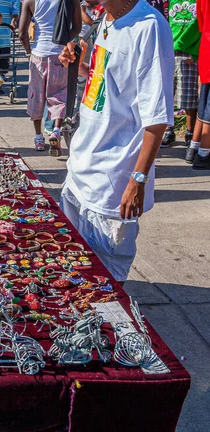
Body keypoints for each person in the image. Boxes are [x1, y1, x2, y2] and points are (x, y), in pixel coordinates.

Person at [59, 0, 174, 282]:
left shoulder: (149, 26)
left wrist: (138, 180)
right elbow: (109, 89)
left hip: (111, 185)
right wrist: (82, 68)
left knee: (108, 284)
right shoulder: (107, 18)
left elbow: (156, 117)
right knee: (72, 273)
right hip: (80, 172)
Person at [19, 0, 81, 156]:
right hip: (60, 54)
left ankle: (39, 137)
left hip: (38, 54)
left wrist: (28, 53)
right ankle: (56, 130)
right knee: (59, 95)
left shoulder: (29, 1)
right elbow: (77, 27)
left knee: (36, 96)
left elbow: (22, 34)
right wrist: (64, 40)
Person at [161, 0, 201, 149]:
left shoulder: (199, 2)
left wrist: (196, 52)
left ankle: (190, 133)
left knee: (189, 96)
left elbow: (203, 26)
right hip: (168, 49)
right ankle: (168, 130)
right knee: (167, 93)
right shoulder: (169, 2)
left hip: (189, 53)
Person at [190, 0, 210, 169]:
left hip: (206, 48)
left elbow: (201, 24)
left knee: (203, 104)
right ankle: (204, 154)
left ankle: (194, 147)